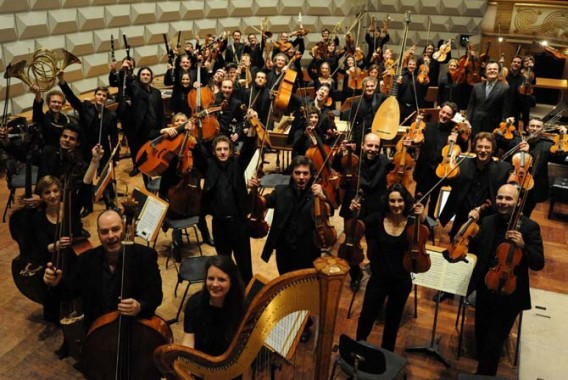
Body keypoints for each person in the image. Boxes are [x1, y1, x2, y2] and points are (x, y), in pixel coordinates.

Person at [43, 209, 163, 331]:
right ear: (99, 235)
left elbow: (156, 295)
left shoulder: (146, 256)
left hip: (134, 328)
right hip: (97, 331)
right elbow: (67, 293)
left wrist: (139, 306)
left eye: (115, 229)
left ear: (124, 229)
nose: (110, 236)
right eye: (104, 232)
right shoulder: (86, 260)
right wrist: (55, 284)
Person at [468, 184, 544, 375]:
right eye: (500, 197)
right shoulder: (487, 222)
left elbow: (538, 263)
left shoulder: (529, 227)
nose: (502, 202)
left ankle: (483, 375)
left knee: (494, 344)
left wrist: (523, 246)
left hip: (510, 293)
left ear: (518, 202)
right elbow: (476, 252)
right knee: (482, 337)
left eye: (508, 199)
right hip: (486, 288)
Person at [353, 183, 425, 351]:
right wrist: (355, 212)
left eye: (400, 201)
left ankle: (386, 355)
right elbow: (358, 225)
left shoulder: (412, 224)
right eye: (392, 201)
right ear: (387, 202)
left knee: (392, 323)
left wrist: (421, 219)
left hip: (401, 281)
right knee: (366, 318)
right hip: (378, 279)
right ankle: (358, 351)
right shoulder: (378, 219)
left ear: (406, 202)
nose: (396, 205)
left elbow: (424, 239)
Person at [332, 133, 392, 291]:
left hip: (374, 211)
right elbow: (337, 166)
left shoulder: (384, 161)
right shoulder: (353, 160)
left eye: (376, 146)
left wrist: (406, 147)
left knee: (374, 246)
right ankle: (356, 275)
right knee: (350, 245)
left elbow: (401, 166)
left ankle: (375, 271)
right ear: (363, 146)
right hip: (353, 207)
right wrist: (341, 151)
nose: (372, 149)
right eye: (370, 145)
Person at [193, 135, 256, 285]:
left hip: (238, 224)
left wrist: (251, 133)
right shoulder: (209, 166)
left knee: (245, 266)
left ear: (231, 151)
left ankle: (248, 297)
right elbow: (198, 155)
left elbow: (248, 149)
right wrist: (192, 138)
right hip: (219, 225)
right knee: (224, 265)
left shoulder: (237, 164)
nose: (222, 152)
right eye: (219, 149)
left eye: (225, 149)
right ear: (214, 152)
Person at [438, 132, 512, 240]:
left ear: (492, 150)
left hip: (487, 219)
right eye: (479, 146)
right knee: (454, 246)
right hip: (462, 217)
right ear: (474, 148)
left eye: (487, 147)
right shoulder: (461, 164)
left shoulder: (503, 169)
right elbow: (444, 181)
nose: (483, 150)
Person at [412, 102, 469, 219]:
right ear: (439, 111)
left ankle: (430, 225)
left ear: (452, 117)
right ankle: (415, 225)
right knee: (418, 201)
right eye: (443, 112)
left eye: (448, 114)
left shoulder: (454, 132)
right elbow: (416, 141)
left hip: (439, 173)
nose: (444, 116)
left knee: (433, 205)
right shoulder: (428, 127)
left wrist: (460, 136)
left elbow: (462, 148)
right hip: (424, 171)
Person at [182, 255, 246, 356]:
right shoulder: (194, 303)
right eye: (211, 278)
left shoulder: (242, 307)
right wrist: (186, 365)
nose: (215, 284)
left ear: (231, 282)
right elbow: (188, 340)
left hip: (229, 365)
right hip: (200, 362)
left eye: (221, 280)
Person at [514, 118, 567, 216]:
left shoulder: (547, 146)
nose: (534, 128)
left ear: (542, 130)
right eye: (532, 126)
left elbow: (560, 155)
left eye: (538, 126)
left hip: (533, 187)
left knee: (524, 214)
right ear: (527, 128)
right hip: (514, 183)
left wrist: (562, 136)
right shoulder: (518, 141)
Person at [467, 60, 513, 135]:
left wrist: (502, 128)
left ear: (499, 72)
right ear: (485, 72)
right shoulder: (476, 86)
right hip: (476, 125)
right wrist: (467, 121)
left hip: (493, 127)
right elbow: (471, 105)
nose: (492, 71)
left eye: (495, 69)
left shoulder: (505, 88)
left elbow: (506, 111)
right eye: (489, 69)